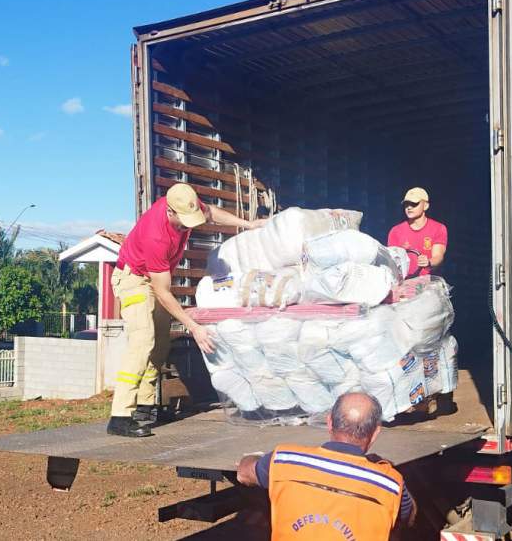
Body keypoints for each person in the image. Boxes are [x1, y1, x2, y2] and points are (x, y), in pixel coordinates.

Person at [107, 183, 265, 437]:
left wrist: (248, 225)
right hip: (134, 280)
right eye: (183, 222)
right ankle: (120, 415)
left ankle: (147, 407)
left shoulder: (185, 202)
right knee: (142, 341)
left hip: (154, 280)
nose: (189, 226)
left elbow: (212, 212)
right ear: (170, 212)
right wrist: (193, 326)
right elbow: (162, 290)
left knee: (159, 344)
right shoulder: (155, 235)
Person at [237, 392, 417, 540]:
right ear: (376, 433)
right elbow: (409, 516)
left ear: (329, 422)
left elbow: (243, 474)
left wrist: (251, 458)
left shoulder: (285, 459)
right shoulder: (390, 483)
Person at [387, 187, 447, 279]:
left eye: (414, 204)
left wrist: (429, 262)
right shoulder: (395, 231)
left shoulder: (438, 228)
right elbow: (393, 261)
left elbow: (438, 256)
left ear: (426, 206)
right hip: (404, 285)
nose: (409, 207)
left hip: (429, 285)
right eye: (406, 204)